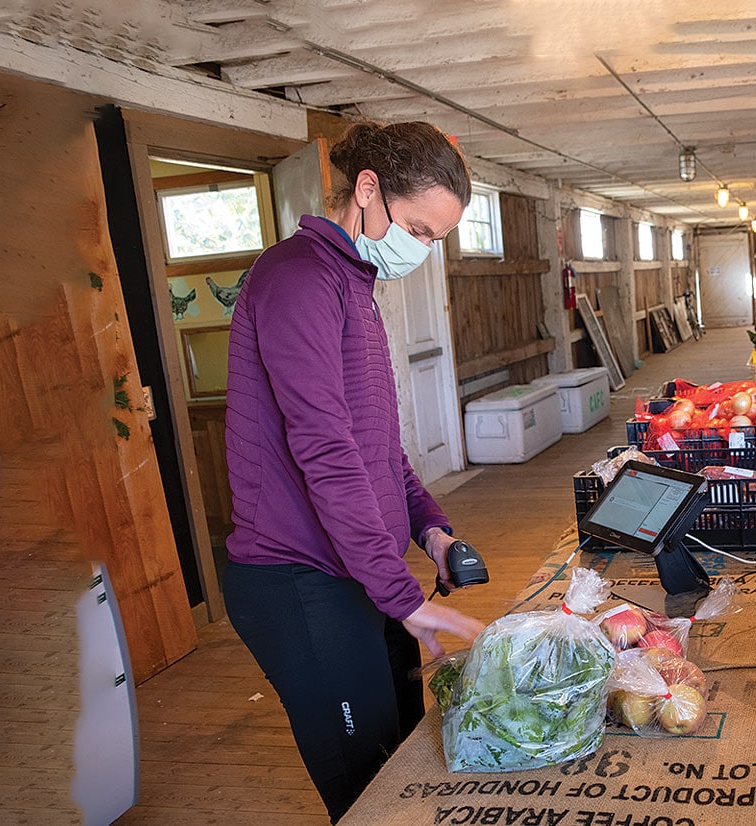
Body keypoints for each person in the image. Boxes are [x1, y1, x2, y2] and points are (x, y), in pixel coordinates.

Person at [222, 120, 486, 824]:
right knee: (370, 793)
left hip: (357, 572)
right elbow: (326, 452)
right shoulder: (296, 278)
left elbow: (377, 445)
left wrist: (430, 527)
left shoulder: (354, 286)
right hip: (299, 580)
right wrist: (402, 596)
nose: (424, 251)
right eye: (420, 231)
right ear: (368, 189)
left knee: (404, 756)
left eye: (437, 238)